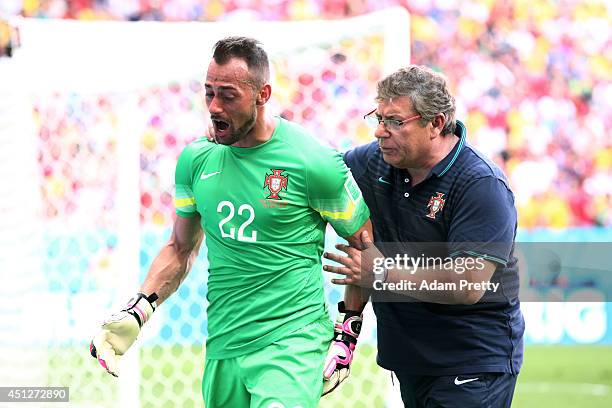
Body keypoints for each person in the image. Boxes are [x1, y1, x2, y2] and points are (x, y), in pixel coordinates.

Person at [89, 36, 372, 407]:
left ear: (263, 94)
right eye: (209, 93)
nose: (214, 107)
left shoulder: (312, 161)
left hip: (293, 341)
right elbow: (180, 248)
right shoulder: (195, 160)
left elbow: (364, 244)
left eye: (228, 95)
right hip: (224, 343)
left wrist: (348, 330)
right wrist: (140, 308)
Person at [323, 65, 524, 407]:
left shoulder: (480, 184)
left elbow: (468, 284)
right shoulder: (372, 163)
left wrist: (383, 273)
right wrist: (348, 331)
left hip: (472, 360)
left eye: (395, 122)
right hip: (409, 358)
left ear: (436, 124)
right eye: (379, 118)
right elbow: (318, 176)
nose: (380, 132)